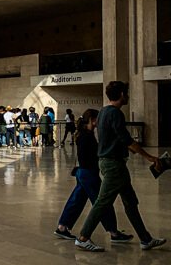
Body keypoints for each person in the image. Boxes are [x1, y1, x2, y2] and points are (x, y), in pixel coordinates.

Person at [74, 81, 166, 252]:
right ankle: (83, 237)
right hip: (113, 165)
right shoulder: (115, 113)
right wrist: (150, 157)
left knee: (130, 202)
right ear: (122, 94)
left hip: (113, 164)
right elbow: (127, 140)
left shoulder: (103, 112)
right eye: (127, 93)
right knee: (102, 202)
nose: (128, 96)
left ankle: (145, 239)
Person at [54, 109, 133, 244]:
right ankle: (113, 232)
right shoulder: (86, 136)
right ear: (92, 119)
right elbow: (92, 155)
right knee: (103, 202)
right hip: (88, 173)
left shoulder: (84, 134)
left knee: (77, 200)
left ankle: (62, 227)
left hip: (83, 173)